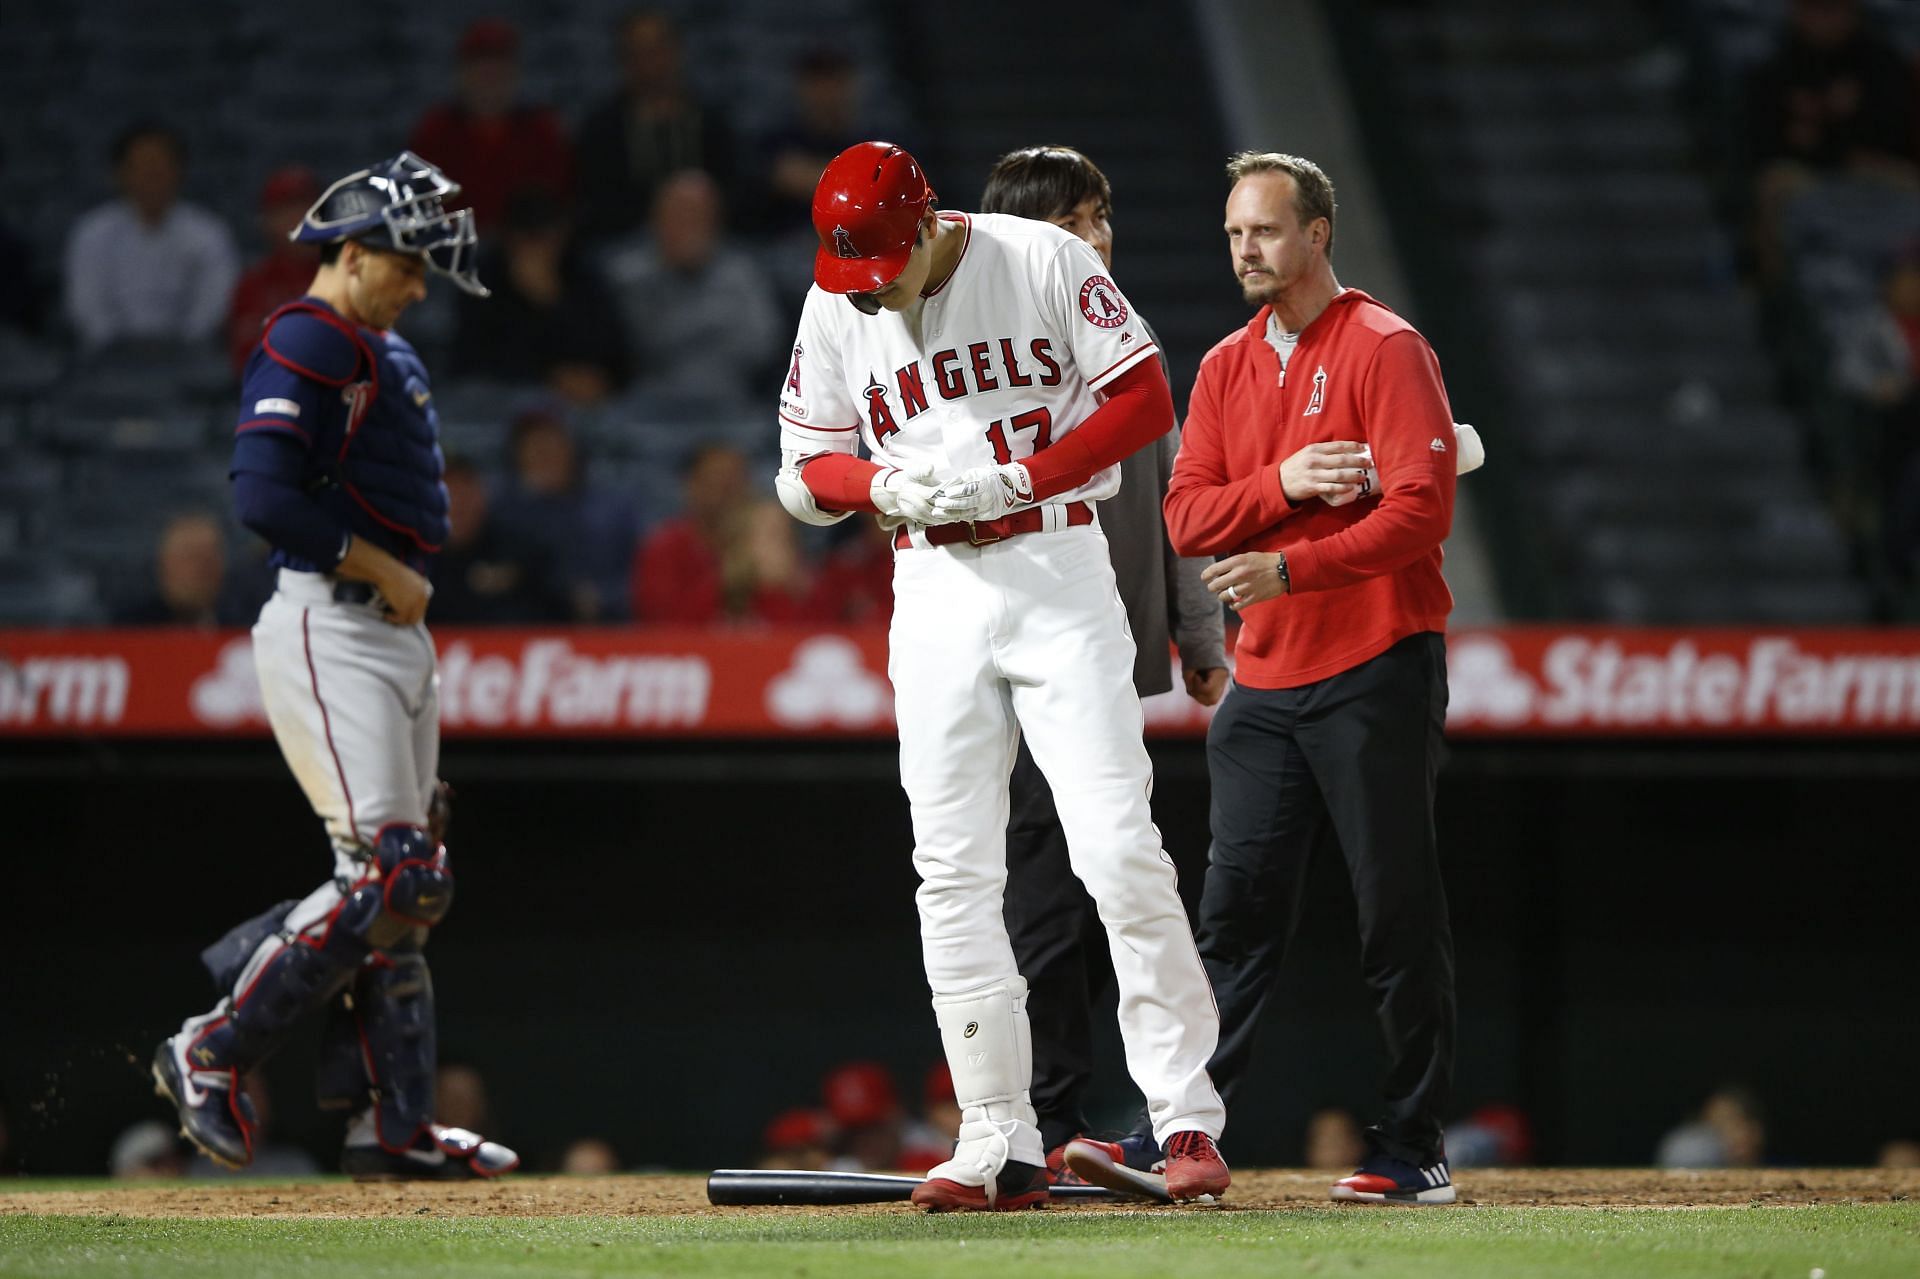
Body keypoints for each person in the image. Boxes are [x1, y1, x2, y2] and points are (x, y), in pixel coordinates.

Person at [773, 141, 1230, 1210]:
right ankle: (996, 1134)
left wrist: (1023, 474)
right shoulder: (839, 298)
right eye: (856, 270)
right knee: (951, 866)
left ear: (927, 222)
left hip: (1056, 561)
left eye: (884, 260)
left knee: (1116, 844)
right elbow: (803, 468)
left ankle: (1184, 1116)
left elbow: (1144, 402)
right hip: (930, 585)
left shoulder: (1041, 258)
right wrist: (880, 480)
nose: (872, 285)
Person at [148, 152, 517, 1181]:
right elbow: (262, 499)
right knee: (394, 869)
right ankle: (209, 1046)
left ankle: (390, 1128)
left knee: (410, 885)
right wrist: (378, 567)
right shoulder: (309, 333)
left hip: (388, 628)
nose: (416, 286)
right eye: (404, 267)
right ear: (351, 253)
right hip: (332, 621)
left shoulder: (377, 345)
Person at [1161, 151, 1459, 1206]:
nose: (1246, 249)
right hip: (1266, 681)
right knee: (1230, 914)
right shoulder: (1222, 366)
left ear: (1318, 233)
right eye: (1236, 232)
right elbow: (1184, 515)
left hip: (1377, 662)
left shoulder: (1386, 346)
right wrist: (1284, 484)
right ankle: (1185, 1135)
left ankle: (1413, 1144)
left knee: (1395, 914)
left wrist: (1291, 561)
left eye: (1267, 231)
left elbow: (1423, 509)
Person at [973, 145, 1229, 1177]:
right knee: (1039, 890)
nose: (1100, 238)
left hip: (1105, 653)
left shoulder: (1123, 338)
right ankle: (1036, 1116)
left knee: (1108, 880)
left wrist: (1199, 634)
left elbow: (1173, 495)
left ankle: (1106, 1113)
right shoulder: (981, 341)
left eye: (1104, 216)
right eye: (1077, 222)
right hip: (1014, 660)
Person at [603, 170, 782, 418]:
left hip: (732, 406)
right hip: (650, 408)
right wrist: (717, 320)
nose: (689, 226)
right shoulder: (628, 273)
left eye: (698, 216)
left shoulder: (742, 271)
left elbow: (763, 345)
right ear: (655, 219)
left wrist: (684, 331)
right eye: (679, 214)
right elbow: (645, 344)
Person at [64, 121, 239, 351]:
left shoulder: (208, 232)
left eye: (161, 165)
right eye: (141, 166)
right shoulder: (92, 232)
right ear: (120, 173)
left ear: (180, 171)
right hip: (110, 361)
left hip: (188, 357)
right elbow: (87, 308)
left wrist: (185, 346)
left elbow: (214, 306)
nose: (152, 175)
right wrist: (117, 349)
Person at [573, 8, 737, 244]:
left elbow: (729, 189)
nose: (649, 61)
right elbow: (598, 203)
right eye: (637, 52)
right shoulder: (602, 129)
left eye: (656, 49)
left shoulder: (712, 121)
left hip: (706, 241)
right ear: (624, 60)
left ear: (676, 51)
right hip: (629, 244)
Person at [451, 189, 630, 405]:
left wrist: (552, 302)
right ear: (509, 238)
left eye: (547, 237)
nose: (539, 249)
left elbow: (613, 355)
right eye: (529, 238)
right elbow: (472, 361)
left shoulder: (582, 273)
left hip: (583, 406)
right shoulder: (482, 277)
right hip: (504, 400)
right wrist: (549, 379)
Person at [408, 19, 572, 231]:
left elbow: (561, 205)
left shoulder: (541, 131)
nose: (489, 81)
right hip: (454, 251)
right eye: (480, 71)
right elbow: (417, 208)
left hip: (523, 251)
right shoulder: (435, 132)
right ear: (462, 75)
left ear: (514, 74)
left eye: (498, 72)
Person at [489, 406, 640, 621]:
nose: (544, 454)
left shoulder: (611, 510)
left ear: (574, 451)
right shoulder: (498, 511)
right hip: (520, 632)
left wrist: (603, 597)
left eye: (552, 443)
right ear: (517, 456)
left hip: (604, 630)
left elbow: (639, 577)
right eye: (534, 445)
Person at [226, 167, 323, 373]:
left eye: (307, 207)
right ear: (267, 221)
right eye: (286, 210)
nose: (299, 218)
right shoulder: (253, 285)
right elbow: (247, 360)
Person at [112, 511, 253, 628]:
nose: (202, 569)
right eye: (191, 557)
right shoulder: (132, 628)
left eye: (209, 559)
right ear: (165, 565)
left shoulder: (244, 624)